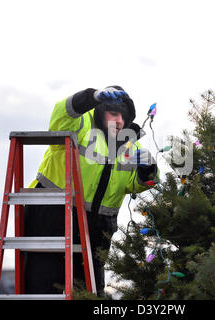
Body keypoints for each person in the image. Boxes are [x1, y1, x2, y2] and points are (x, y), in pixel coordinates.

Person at [23, 86, 159, 296]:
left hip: (97, 230)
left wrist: (148, 170)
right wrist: (91, 96)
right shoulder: (81, 125)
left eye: (123, 117)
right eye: (114, 113)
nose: (119, 121)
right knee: (44, 286)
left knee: (90, 292)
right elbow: (60, 117)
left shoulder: (132, 148)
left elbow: (138, 184)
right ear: (100, 111)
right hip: (53, 217)